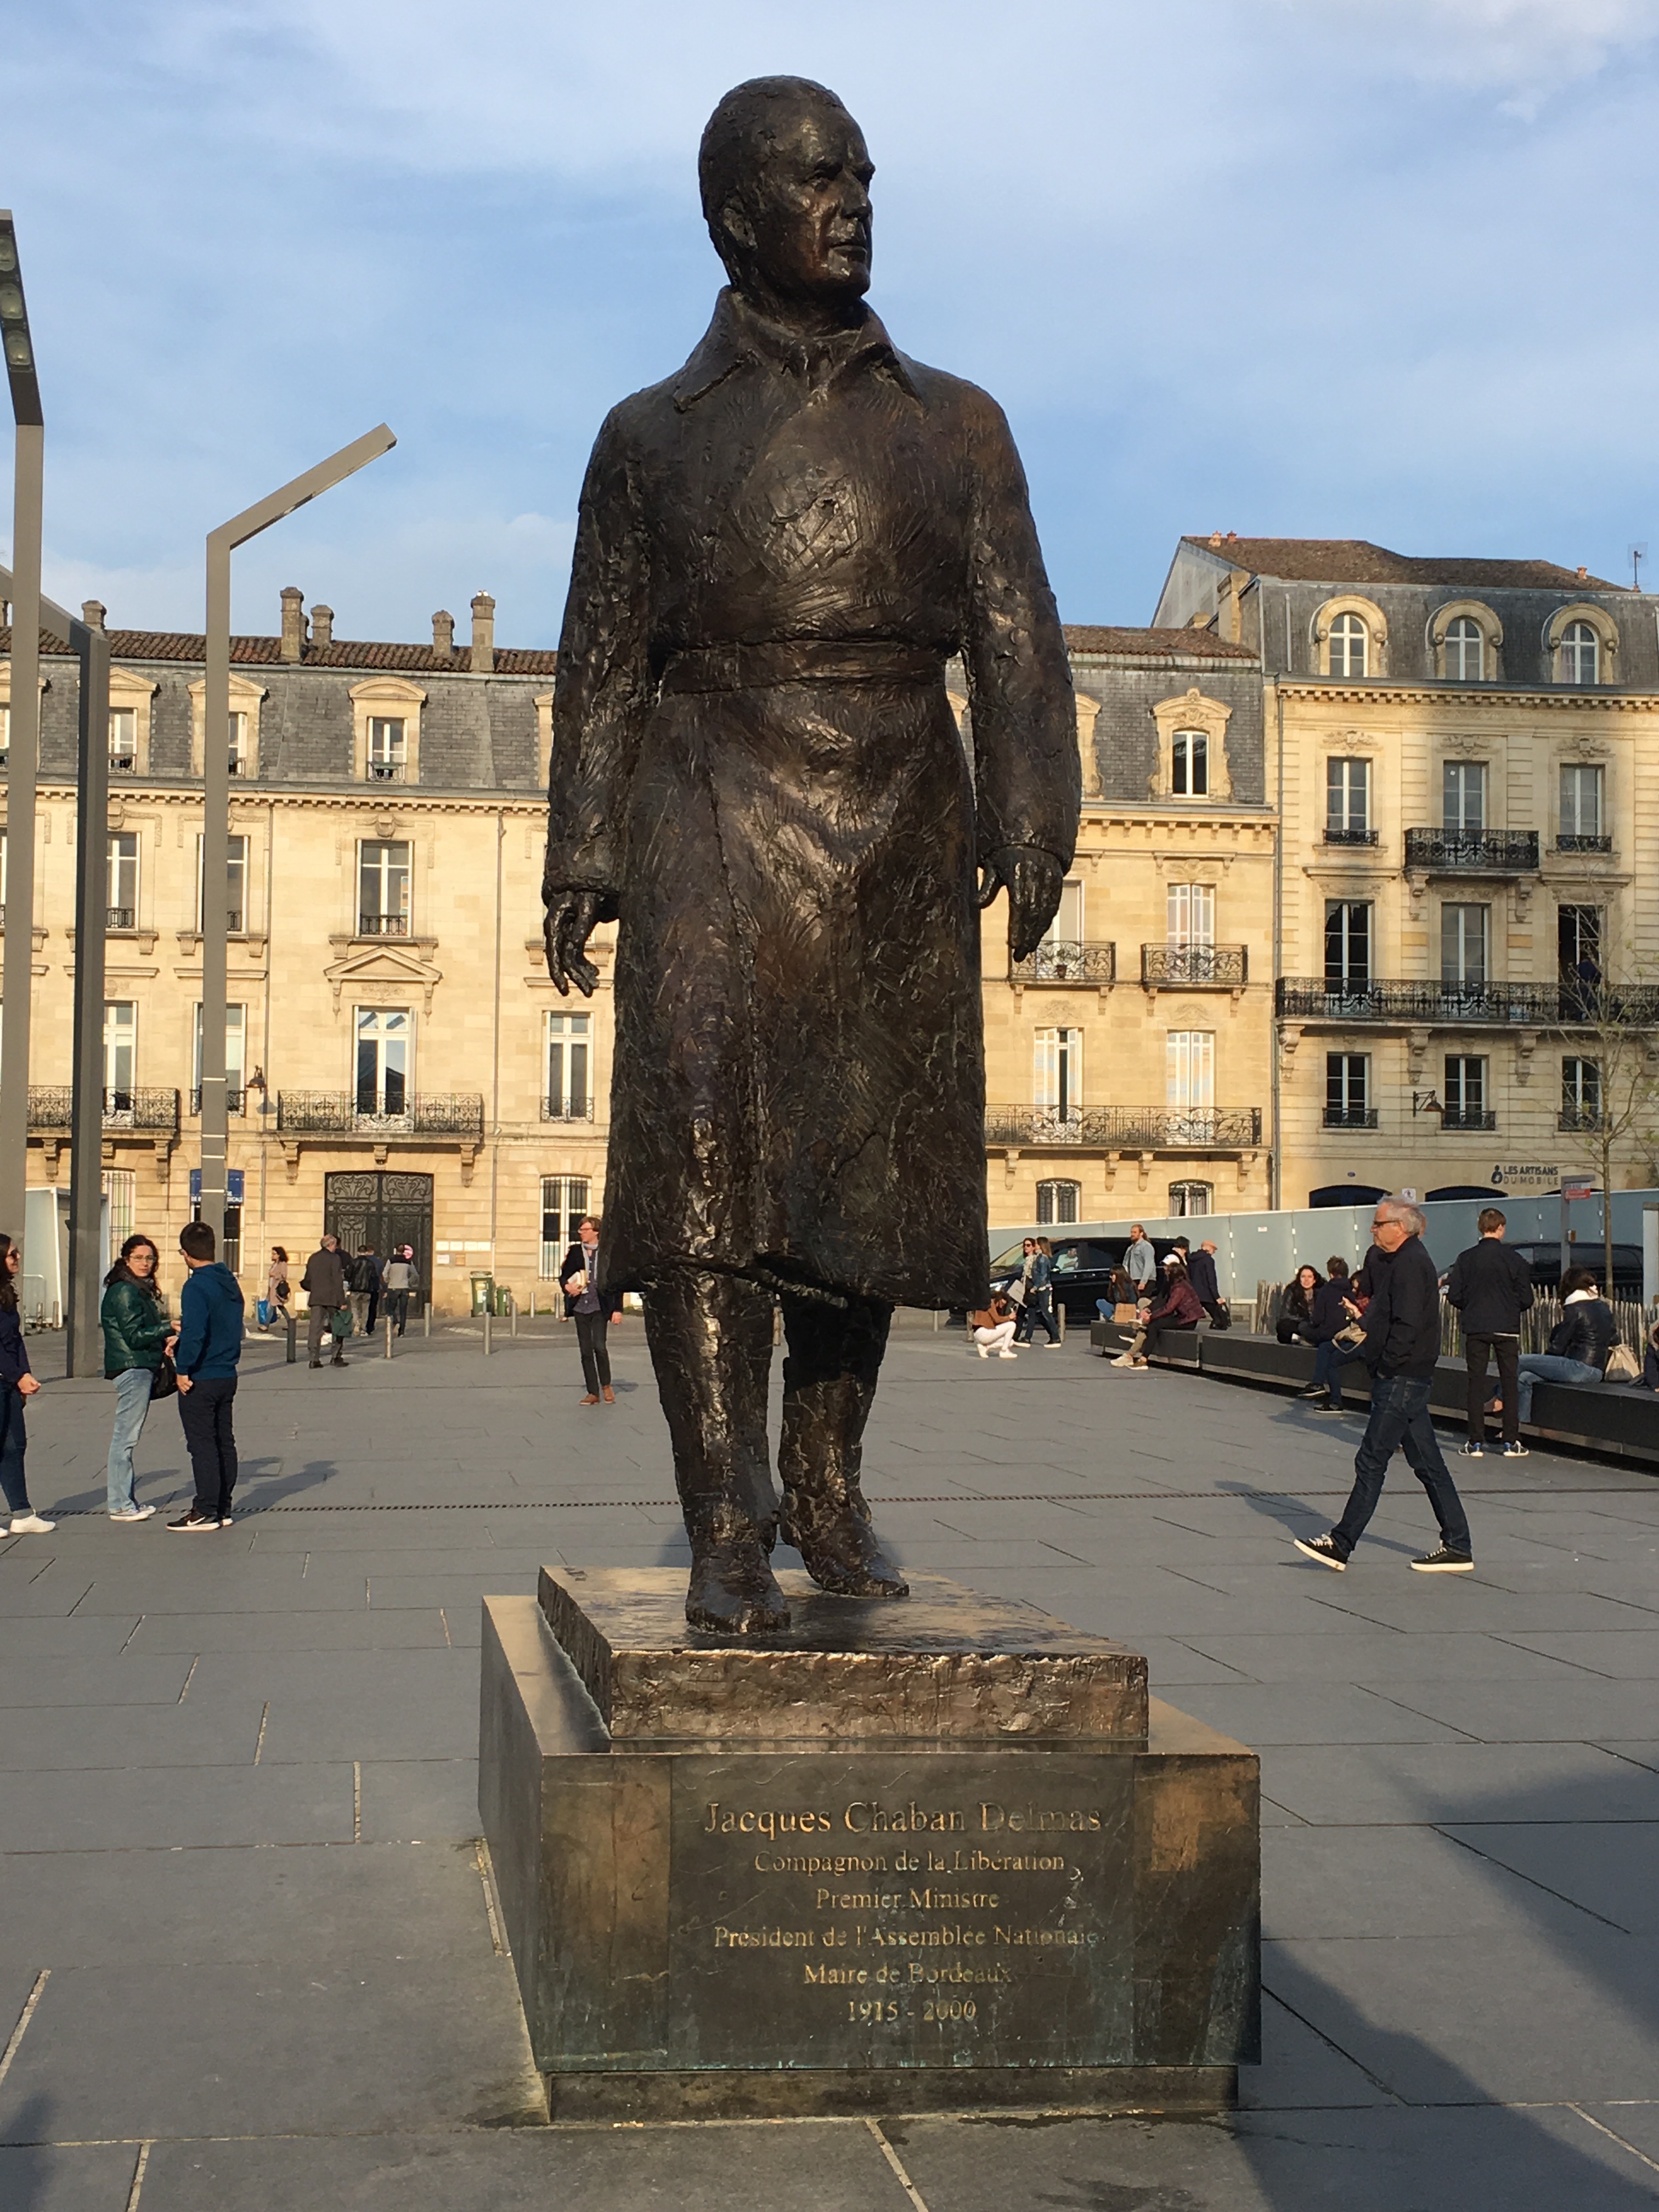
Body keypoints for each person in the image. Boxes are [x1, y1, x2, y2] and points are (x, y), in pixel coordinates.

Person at [542, 77, 1078, 1630]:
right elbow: (599, 660)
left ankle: (827, 1482)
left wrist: (1034, 807)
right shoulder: (648, 436)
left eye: (861, 178)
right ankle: (727, 1521)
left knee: (872, 1164)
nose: (851, 206)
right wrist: (584, 848)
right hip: (706, 788)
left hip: (902, 801)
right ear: (736, 217)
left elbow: (1017, 633)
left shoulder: (958, 424)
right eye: (817, 180)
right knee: (701, 1169)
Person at [1293, 1198, 1474, 1575]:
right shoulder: (1399, 1260)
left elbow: (1407, 1323)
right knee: (1428, 1464)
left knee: (1372, 1458)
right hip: (1405, 1374)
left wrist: (1389, 1363)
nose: (1372, 1230)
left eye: (1378, 1224)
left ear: (1400, 1227)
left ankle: (1342, 1543)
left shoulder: (1411, 1264)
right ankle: (1458, 1544)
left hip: (1402, 1376)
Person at [169, 1221, 244, 1532]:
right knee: (224, 1441)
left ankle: (205, 1509)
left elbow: (197, 1333)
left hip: (202, 1374)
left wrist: (182, 1368)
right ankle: (224, 1507)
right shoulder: (230, 1282)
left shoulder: (196, 1286)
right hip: (227, 1371)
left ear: (186, 1254)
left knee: (202, 1445)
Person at [1444, 1207, 1534, 1459]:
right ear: (1501, 1228)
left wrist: (1472, 1307)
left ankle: (1475, 1442)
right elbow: (1527, 1299)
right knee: (1510, 1382)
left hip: (1476, 1327)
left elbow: (1454, 1295)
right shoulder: (1515, 1260)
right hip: (1507, 1328)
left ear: (1480, 1227)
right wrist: (1510, 1308)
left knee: (1476, 1382)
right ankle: (1511, 1441)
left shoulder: (1466, 1258)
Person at [100, 1233, 174, 1521]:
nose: (145, 1263)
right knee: (125, 1438)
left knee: (127, 1437)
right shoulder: (125, 1291)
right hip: (132, 1368)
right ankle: (120, 1504)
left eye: (150, 1258)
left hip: (136, 1366)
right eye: (139, 1258)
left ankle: (127, 1500)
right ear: (126, 1259)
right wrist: (169, 1327)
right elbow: (134, 1335)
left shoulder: (134, 1288)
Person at [1503, 1266, 1615, 1428]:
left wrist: (1546, 1361)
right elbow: (1613, 1337)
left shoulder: (1575, 1308)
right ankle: (1520, 1426)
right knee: (1525, 1378)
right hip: (1597, 1371)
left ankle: (1499, 1399)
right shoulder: (1603, 1308)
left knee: (1518, 1361)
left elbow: (1559, 1346)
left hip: (1578, 1367)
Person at [0, 1233, 50, 1534]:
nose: (17, 1258)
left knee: (15, 1444)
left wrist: (24, 1375)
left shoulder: (6, 1293)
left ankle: (22, 1513)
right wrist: (17, 1375)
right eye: (11, 1254)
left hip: (8, 1382)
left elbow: (15, 1340)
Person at [561, 1215, 622, 1404]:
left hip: (600, 1306)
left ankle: (606, 1385)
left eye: (585, 1230)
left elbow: (616, 1282)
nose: (581, 1233)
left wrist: (617, 1309)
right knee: (586, 1350)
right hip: (580, 1306)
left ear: (596, 1232)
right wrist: (567, 1287)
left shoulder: (607, 1253)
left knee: (599, 1347)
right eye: (580, 1230)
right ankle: (592, 1392)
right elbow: (563, 1276)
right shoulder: (575, 1252)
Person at [1297, 1256, 1367, 1412]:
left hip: (1354, 1340)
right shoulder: (1351, 1291)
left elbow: (1317, 1319)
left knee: (1326, 1352)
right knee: (1325, 1348)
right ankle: (1320, 1386)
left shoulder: (1326, 1291)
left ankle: (1330, 1396)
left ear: (1330, 1273)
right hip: (1346, 1334)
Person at [1113, 1262, 1203, 1369]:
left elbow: (1169, 1308)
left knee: (1154, 1325)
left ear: (1173, 1274)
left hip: (1188, 1321)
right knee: (1152, 1323)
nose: (1165, 1274)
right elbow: (1163, 1301)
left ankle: (1142, 1359)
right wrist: (1149, 1310)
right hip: (1182, 1317)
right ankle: (1134, 1350)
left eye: (1167, 1272)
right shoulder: (1176, 1285)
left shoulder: (1180, 1289)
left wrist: (1151, 1317)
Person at [301, 1233, 349, 1370]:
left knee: (315, 1329)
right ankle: (336, 1356)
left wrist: (316, 1289)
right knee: (338, 1327)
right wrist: (342, 1301)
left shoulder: (313, 1258)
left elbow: (308, 1279)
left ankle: (314, 1359)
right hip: (333, 1298)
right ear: (331, 1245)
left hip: (317, 1297)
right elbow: (337, 1280)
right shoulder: (335, 1258)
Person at [1015, 1236, 1059, 1346]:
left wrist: (1035, 1287)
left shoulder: (1042, 1258)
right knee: (1035, 1313)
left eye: (1037, 1244)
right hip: (1038, 1289)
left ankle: (1055, 1337)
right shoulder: (1039, 1258)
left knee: (1045, 1313)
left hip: (1042, 1289)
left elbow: (1043, 1276)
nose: (1036, 1246)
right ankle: (1029, 1337)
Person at [1276, 1265, 1323, 1346]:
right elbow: (1285, 1314)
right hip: (1298, 1324)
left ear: (1315, 1280)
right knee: (1284, 1327)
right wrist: (1303, 1321)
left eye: (1310, 1277)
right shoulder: (1292, 1291)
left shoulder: (1321, 1293)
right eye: (1303, 1277)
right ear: (1299, 1279)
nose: (1306, 1280)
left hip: (1314, 1325)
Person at [1186, 1238, 1226, 1329]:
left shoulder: (1191, 1259)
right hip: (1206, 1294)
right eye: (1213, 1249)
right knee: (1218, 1316)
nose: (1214, 1252)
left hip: (1193, 1292)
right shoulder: (1208, 1260)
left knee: (1193, 1314)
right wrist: (1217, 1297)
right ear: (1208, 1248)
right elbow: (1211, 1279)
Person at [969, 1290, 1019, 1358]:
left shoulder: (988, 1303)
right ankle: (1004, 1351)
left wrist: (1008, 1319)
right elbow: (997, 1320)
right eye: (1002, 1303)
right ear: (999, 1299)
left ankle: (986, 1347)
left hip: (981, 1333)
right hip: (983, 1332)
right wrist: (1009, 1318)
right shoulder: (990, 1303)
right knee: (1012, 1325)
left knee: (1010, 1342)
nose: (1001, 1307)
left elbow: (996, 1322)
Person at [348, 1244, 382, 1340]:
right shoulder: (371, 1264)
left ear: (358, 1252)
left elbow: (348, 1274)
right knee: (365, 1310)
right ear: (366, 1253)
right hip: (367, 1289)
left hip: (355, 1289)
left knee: (355, 1308)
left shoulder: (353, 1262)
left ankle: (356, 1323)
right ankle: (364, 1328)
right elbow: (374, 1277)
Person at [382, 1246, 417, 1336]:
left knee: (390, 1308)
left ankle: (396, 1322)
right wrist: (409, 1281)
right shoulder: (408, 1262)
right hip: (404, 1287)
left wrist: (387, 1280)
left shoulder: (391, 1261)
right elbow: (415, 1274)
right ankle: (402, 1331)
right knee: (403, 1311)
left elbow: (384, 1273)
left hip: (393, 1286)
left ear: (396, 1250)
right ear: (404, 1252)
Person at [263, 1246, 290, 1335]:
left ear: (279, 1255)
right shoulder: (274, 1264)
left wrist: (274, 1275)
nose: (273, 1256)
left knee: (272, 1306)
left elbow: (284, 1276)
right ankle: (290, 1322)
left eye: (274, 1254)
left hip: (277, 1288)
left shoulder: (283, 1264)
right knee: (280, 1307)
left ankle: (266, 1326)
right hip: (272, 1288)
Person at [1123, 1224, 1156, 1297]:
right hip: (1133, 1279)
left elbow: (1149, 1264)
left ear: (1141, 1233)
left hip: (1145, 1280)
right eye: (1131, 1232)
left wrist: (1143, 1282)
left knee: (1142, 1300)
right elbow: (1125, 1264)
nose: (1132, 1234)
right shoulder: (1130, 1248)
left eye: (1135, 1232)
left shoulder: (1146, 1246)